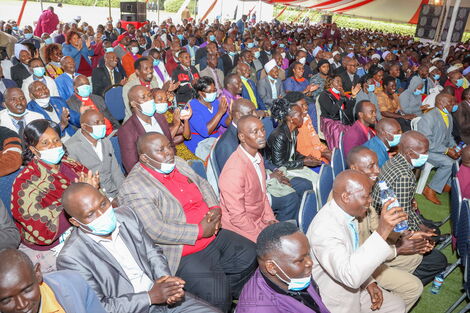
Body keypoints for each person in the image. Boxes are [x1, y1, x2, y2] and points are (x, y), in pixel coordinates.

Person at [118, 132, 257, 312]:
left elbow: (204, 184)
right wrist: (199, 231)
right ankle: (216, 302)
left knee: (250, 254)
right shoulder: (134, 186)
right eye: (161, 150)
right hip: (182, 250)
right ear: (144, 158)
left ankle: (226, 300)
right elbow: (155, 229)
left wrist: (215, 209)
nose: (168, 152)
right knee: (216, 294)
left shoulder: (178, 163)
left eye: (169, 146)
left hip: (212, 233)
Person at [56, 183, 220, 313]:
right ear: (75, 222)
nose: (102, 214)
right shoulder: (71, 258)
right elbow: (98, 307)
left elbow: (153, 253)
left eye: (103, 204)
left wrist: (166, 283)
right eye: (90, 214)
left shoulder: (126, 215)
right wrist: (150, 297)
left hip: (162, 294)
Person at [307, 170, 407, 313]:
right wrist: (382, 231)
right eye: (366, 196)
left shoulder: (347, 214)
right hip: (334, 298)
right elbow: (350, 276)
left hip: (354, 283)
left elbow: (353, 254)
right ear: (346, 197)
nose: (370, 200)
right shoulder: (325, 229)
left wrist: (369, 283)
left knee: (396, 305)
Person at [11, 119, 98, 273]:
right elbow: (42, 230)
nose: (54, 146)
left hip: (85, 226)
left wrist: (92, 189)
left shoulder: (71, 163)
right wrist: (79, 199)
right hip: (53, 245)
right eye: (45, 143)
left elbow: (94, 193)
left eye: (56, 140)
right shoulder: (24, 182)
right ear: (33, 149)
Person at [346, 147, 426, 311]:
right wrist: (397, 249)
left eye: (377, 165)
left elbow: (375, 226)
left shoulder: (365, 191)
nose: (378, 170)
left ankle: (386, 295)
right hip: (359, 262)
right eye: (371, 166)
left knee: (415, 257)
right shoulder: (349, 199)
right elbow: (356, 253)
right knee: (414, 287)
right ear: (354, 168)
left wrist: (406, 234)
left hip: (371, 251)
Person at [371, 131, 448, 285]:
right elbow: (402, 219)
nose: (427, 155)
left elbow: (405, 206)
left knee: (434, 231)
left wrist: (420, 225)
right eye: (424, 152)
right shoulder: (405, 175)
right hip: (391, 230)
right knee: (439, 261)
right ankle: (402, 280)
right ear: (409, 152)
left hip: (389, 218)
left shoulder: (393, 161)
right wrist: (417, 234)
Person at [237, 222, 331, 313]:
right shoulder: (259, 309)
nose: (310, 262)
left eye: (308, 254)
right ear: (271, 267)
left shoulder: (291, 275)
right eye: (300, 260)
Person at [219, 115, 277, 242]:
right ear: (242, 137)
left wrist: (270, 219)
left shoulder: (257, 157)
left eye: (262, 129)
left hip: (258, 219)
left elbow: (263, 195)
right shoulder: (234, 171)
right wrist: (261, 235)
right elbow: (238, 217)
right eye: (254, 132)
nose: (261, 135)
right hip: (239, 228)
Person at [0, 249, 108, 313]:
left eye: (27, 290)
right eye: (6, 300)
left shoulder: (73, 284)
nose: (22, 305)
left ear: (37, 274)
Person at [65, 109, 124, 198]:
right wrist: (108, 200)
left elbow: (116, 171)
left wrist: (124, 193)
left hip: (114, 191)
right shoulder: (71, 148)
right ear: (84, 127)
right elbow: (79, 185)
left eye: (103, 122)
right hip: (95, 197)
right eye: (97, 123)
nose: (102, 126)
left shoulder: (106, 141)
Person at [118, 85, 175, 173]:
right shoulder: (127, 130)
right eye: (143, 98)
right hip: (148, 175)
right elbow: (131, 165)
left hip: (171, 165)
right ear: (133, 104)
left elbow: (171, 146)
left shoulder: (160, 118)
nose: (149, 100)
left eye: (149, 95)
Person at [417, 93, 459, 205]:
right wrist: (446, 150)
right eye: (451, 103)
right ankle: (430, 189)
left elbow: (449, 136)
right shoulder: (428, 117)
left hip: (440, 149)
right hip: (427, 150)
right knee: (449, 163)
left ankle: (447, 184)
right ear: (441, 103)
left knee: (459, 158)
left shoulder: (448, 115)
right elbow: (427, 142)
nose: (453, 105)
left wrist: (454, 146)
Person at [267, 98, 321, 182]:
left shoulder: (294, 130)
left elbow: (292, 153)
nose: (303, 116)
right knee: (313, 181)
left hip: (290, 164)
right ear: (291, 118)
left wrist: (306, 158)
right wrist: (303, 162)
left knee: (319, 177)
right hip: (279, 171)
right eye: (300, 115)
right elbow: (278, 164)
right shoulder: (279, 136)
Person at [186, 76, 229, 157]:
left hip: (214, 142)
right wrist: (220, 113)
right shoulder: (192, 107)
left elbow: (225, 122)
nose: (213, 93)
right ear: (201, 93)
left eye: (214, 90)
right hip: (199, 145)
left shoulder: (215, 102)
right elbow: (205, 132)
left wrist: (232, 115)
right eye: (210, 92)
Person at [318, 75, 358, 149]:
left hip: (342, 120)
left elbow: (349, 108)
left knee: (355, 129)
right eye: (337, 81)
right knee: (339, 130)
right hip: (330, 121)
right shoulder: (324, 95)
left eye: (341, 82)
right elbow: (332, 112)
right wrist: (342, 98)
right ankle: (339, 153)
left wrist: (353, 96)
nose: (340, 84)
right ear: (331, 83)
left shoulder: (341, 94)